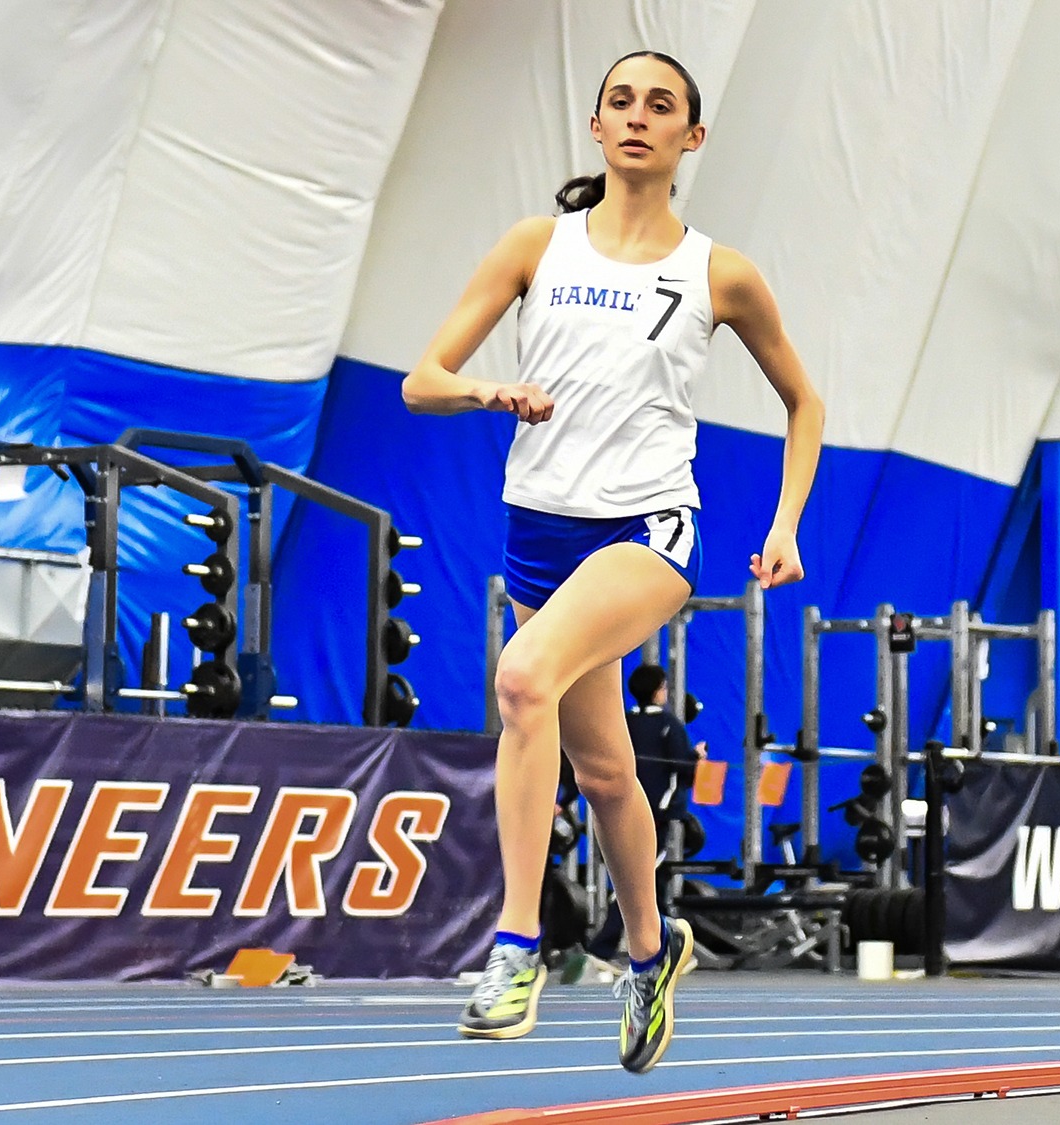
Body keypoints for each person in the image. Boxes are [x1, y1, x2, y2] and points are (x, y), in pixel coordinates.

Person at [401, 49, 824, 1074]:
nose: (638, 117)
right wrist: (487, 393)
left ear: (691, 137)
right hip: (539, 534)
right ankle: (648, 947)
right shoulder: (534, 246)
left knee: (519, 677)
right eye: (620, 102)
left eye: (661, 106)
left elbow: (803, 403)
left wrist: (784, 525)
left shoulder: (717, 273)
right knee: (601, 769)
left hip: (646, 530)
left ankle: (513, 947)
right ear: (596, 127)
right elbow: (422, 379)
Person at [582, 664, 703, 963]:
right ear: (658, 690)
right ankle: (601, 948)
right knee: (637, 877)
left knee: (651, 880)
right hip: (656, 815)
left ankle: (662, 946)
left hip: (621, 811)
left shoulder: (623, 722)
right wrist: (696, 758)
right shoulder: (668, 725)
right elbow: (683, 771)